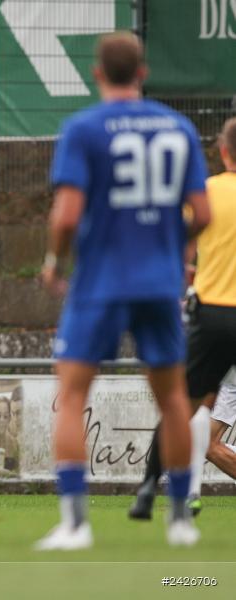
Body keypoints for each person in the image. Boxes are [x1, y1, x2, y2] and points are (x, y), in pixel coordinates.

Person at [38, 32, 210, 550]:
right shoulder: (178, 128)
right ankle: (180, 521)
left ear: (97, 74)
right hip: (159, 282)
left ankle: (74, 524)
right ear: (143, 71)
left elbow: (67, 215)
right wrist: (168, 247)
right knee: (174, 398)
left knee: (71, 395)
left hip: (101, 281)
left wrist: (53, 263)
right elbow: (202, 214)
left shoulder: (85, 128)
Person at [129, 117, 236, 519]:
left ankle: (146, 487)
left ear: (223, 152)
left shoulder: (205, 192)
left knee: (180, 406)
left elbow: (174, 247)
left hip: (213, 317)